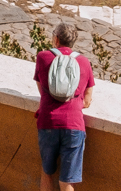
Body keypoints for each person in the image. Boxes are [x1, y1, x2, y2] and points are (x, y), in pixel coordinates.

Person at [34, 19, 95, 191]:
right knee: (67, 181)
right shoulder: (83, 62)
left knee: (47, 173)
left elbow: (42, 88)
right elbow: (87, 100)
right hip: (74, 125)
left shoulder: (43, 57)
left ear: (56, 39)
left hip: (48, 122)